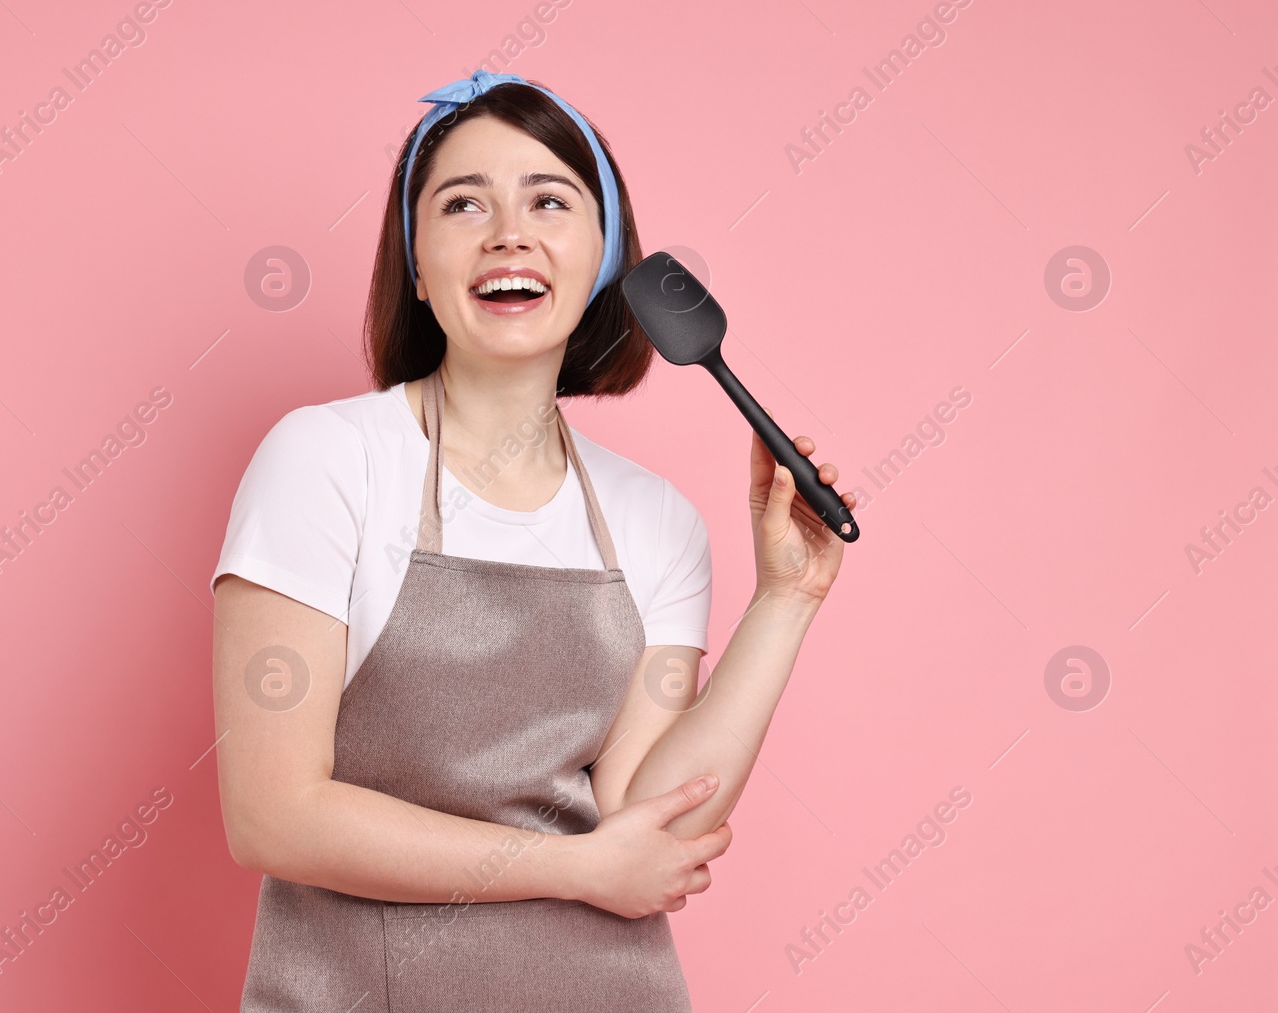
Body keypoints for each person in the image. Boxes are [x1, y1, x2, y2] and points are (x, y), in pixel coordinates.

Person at [211, 69, 855, 1011]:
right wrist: (574, 867)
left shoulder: (657, 520)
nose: (509, 231)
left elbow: (653, 816)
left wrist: (786, 601)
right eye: (462, 203)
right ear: (418, 266)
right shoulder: (326, 461)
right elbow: (275, 814)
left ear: (602, 261)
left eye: (550, 200)